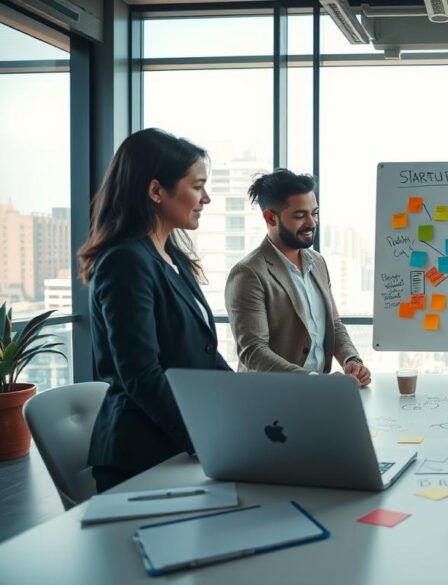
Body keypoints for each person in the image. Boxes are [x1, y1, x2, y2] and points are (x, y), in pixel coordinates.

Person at [78, 128, 232, 492]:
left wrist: (247, 407)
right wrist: (206, 437)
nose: (206, 198)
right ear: (155, 191)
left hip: (176, 445)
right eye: (197, 186)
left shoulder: (172, 256)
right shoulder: (126, 261)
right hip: (141, 456)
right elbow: (141, 374)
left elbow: (204, 355)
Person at [225, 169, 370, 385]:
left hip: (318, 395)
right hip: (269, 399)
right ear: (270, 218)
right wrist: (315, 382)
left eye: (315, 213)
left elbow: (334, 324)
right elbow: (253, 352)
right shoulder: (248, 273)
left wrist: (351, 359)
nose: (312, 223)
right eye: (300, 215)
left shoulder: (318, 262)